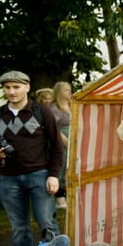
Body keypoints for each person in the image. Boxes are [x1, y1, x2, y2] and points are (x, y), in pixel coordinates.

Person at [0, 71, 63, 246]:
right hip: (8, 178)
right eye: (7, 87)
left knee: (47, 224)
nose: (12, 92)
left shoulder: (42, 112)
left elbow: (56, 146)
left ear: (27, 87)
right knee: (19, 229)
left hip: (39, 175)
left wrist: (53, 175)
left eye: (16, 87)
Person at [49, 81, 72, 209]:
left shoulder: (72, 105)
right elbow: (54, 128)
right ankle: (60, 199)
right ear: (59, 92)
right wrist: (66, 141)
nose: (69, 92)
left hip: (72, 139)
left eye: (70, 89)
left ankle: (69, 195)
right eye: (66, 90)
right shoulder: (54, 108)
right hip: (61, 141)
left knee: (70, 168)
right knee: (61, 168)